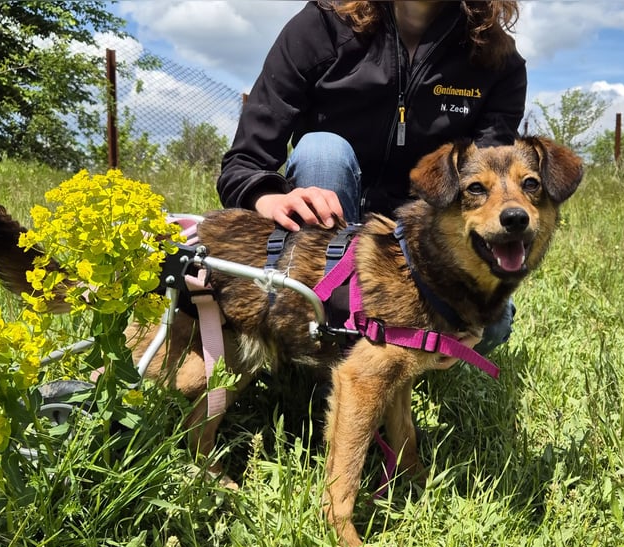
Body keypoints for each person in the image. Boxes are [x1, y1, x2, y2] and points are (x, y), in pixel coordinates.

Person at [216, 0, 527, 352]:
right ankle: (325, 336)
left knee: (493, 326)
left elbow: (487, 192)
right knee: (322, 151)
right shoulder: (322, 27)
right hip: (327, 230)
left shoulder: (496, 59)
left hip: (418, 245)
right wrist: (270, 196)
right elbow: (244, 162)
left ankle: (402, 347)